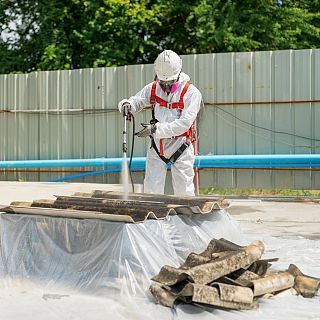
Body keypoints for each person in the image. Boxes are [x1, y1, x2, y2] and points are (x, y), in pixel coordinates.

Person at [118, 50, 202, 196]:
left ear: (178, 74)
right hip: (157, 146)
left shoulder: (191, 93)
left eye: (169, 83)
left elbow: (184, 124)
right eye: (163, 82)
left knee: (184, 191)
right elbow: (137, 101)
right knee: (151, 189)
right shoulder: (154, 88)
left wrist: (155, 129)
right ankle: (152, 218)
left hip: (181, 145)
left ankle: (187, 217)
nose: (166, 87)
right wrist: (126, 105)